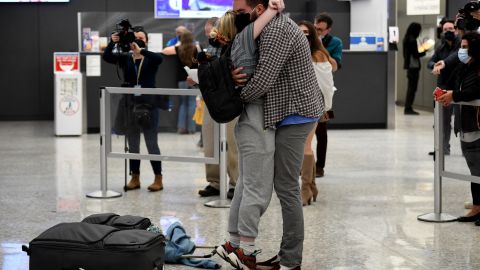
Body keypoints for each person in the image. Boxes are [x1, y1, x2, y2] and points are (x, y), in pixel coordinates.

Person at [215, 0, 323, 269]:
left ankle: (290, 260)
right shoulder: (266, 26)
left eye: (241, 12)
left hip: (295, 114)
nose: (238, 17)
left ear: (259, 9)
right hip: (281, 112)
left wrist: (234, 96)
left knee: (285, 187)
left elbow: (262, 81)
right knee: (255, 179)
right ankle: (242, 244)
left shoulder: (276, 31)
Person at [103, 27, 165, 191]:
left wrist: (142, 51)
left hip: (149, 105)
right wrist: (112, 42)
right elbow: (107, 57)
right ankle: (135, 177)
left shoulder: (150, 58)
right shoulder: (126, 58)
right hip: (129, 105)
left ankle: (158, 178)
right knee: (133, 144)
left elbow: (160, 59)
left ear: (146, 40)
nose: (138, 41)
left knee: (152, 143)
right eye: (135, 38)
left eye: (141, 38)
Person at [189, 17, 239, 199]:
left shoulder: (235, 47)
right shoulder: (209, 49)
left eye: (212, 32)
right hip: (209, 101)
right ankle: (214, 182)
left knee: (233, 145)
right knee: (210, 142)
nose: (210, 36)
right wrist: (196, 79)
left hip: (230, 101)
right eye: (207, 33)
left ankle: (235, 183)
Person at [436, 32, 480, 224]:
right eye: (461, 46)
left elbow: (474, 92)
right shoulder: (465, 67)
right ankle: (477, 206)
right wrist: (446, 93)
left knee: (478, 168)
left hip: (477, 124)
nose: (461, 51)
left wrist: (454, 95)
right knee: (474, 169)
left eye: (465, 47)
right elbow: (457, 88)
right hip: (464, 124)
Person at [297, 20, 335, 206]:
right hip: (294, 106)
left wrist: (325, 108)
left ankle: (305, 189)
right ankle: (311, 187)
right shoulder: (293, 52)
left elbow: (327, 86)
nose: (302, 35)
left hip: (312, 106)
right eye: (299, 32)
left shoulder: (318, 55)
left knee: (305, 146)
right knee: (305, 146)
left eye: (306, 32)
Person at [313, 12, 342, 178]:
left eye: (321, 30)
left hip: (323, 91)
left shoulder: (335, 43)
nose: (317, 32)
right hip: (306, 89)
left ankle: (320, 166)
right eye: (315, 28)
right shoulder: (306, 40)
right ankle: (305, 164)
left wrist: (320, 47)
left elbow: (335, 66)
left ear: (328, 30)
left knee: (321, 130)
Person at [428, 20, 460, 156]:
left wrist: (444, 64)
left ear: (456, 30)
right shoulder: (440, 47)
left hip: (459, 87)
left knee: (461, 121)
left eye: (451, 29)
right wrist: (434, 65)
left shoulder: (461, 46)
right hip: (444, 87)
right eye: (446, 29)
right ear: (442, 31)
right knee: (443, 121)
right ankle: (442, 148)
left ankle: (468, 148)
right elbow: (431, 61)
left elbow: (456, 58)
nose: (449, 31)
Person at [163, 31, 199, 134]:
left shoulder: (178, 49)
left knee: (183, 104)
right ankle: (192, 129)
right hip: (193, 79)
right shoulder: (196, 48)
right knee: (192, 104)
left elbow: (165, 51)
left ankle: (181, 128)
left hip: (181, 80)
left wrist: (177, 44)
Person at [403, 22, 427, 115]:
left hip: (409, 66)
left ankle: (408, 107)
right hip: (414, 66)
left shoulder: (406, 39)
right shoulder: (412, 40)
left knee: (410, 88)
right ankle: (408, 108)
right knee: (412, 88)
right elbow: (416, 54)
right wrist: (424, 51)